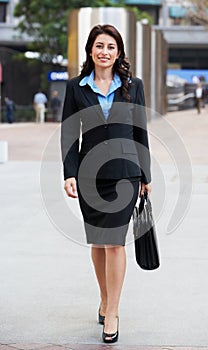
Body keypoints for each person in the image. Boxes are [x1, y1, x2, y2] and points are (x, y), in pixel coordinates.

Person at [61, 24, 151, 344]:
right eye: (99, 46)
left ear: (119, 53)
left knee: (115, 242)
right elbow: (70, 134)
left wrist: (146, 176)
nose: (105, 52)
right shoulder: (76, 88)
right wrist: (69, 173)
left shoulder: (134, 86)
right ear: (90, 50)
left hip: (126, 173)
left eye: (111, 47)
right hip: (89, 175)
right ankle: (104, 296)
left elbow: (140, 132)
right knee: (98, 243)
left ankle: (112, 311)